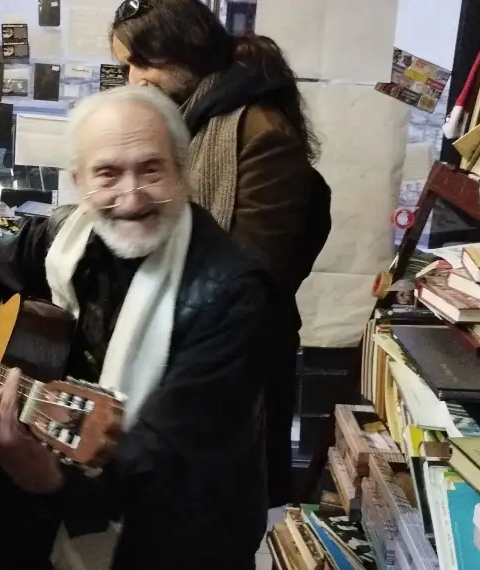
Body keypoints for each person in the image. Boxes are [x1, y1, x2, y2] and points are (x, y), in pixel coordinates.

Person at [0, 86, 284, 570]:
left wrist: (50, 482)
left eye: (151, 168)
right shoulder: (63, 233)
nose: (131, 196)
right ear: (79, 181)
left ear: (184, 173)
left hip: (171, 516)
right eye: (108, 173)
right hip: (46, 468)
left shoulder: (231, 291)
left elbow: (168, 458)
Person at [110, 0, 332, 505]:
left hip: (231, 373)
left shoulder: (260, 133)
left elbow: (254, 275)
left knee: (210, 530)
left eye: (143, 63)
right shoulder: (181, 124)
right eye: (127, 65)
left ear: (183, 54)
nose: (134, 79)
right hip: (178, 361)